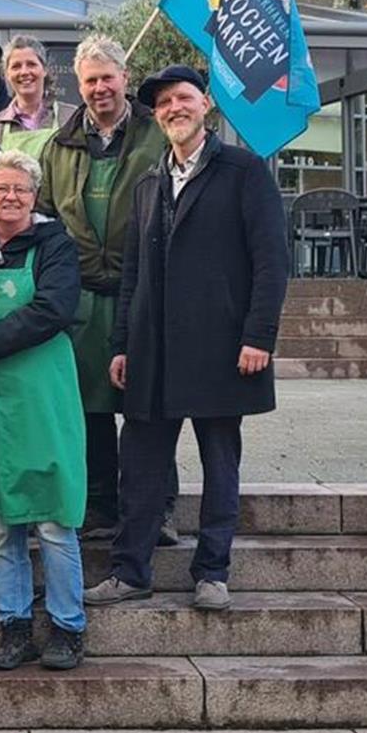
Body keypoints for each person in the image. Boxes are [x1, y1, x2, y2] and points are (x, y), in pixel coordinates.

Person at [88, 67, 289, 611]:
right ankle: (131, 570)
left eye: (183, 98)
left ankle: (213, 572)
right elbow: (133, 271)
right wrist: (122, 343)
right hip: (154, 352)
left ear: (205, 104)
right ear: (157, 116)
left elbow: (272, 261)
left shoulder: (244, 171)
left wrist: (258, 335)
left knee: (220, 461)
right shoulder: (151, 180)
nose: (174, 108)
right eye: (163, 103)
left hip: (223, 348)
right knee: (141, 465)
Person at [0, 150, 88, 671]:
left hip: (40, 394)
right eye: (0, 189)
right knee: (3, 520)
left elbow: (52, 308)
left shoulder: (55, 246)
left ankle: (68, 626)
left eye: (20, 190)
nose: (10, 197)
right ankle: (13, 625)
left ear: (34, 196)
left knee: (52, 515)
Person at [35, 35, 174, 543]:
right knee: (89, 409)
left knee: (148, 407)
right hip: (83, 297)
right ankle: (100, 505)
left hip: (145, 290)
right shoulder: (60, 144)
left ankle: (157, 509)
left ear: (125, 77)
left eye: (107, 78)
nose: (99, 88)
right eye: (90, 80)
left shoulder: (155, 134)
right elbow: (46, 216)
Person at [0, 35, 77, 155]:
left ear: (44, 70)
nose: (24, 72)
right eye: (16, 66)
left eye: (31, 64)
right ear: (6, 74)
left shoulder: (71, 117)